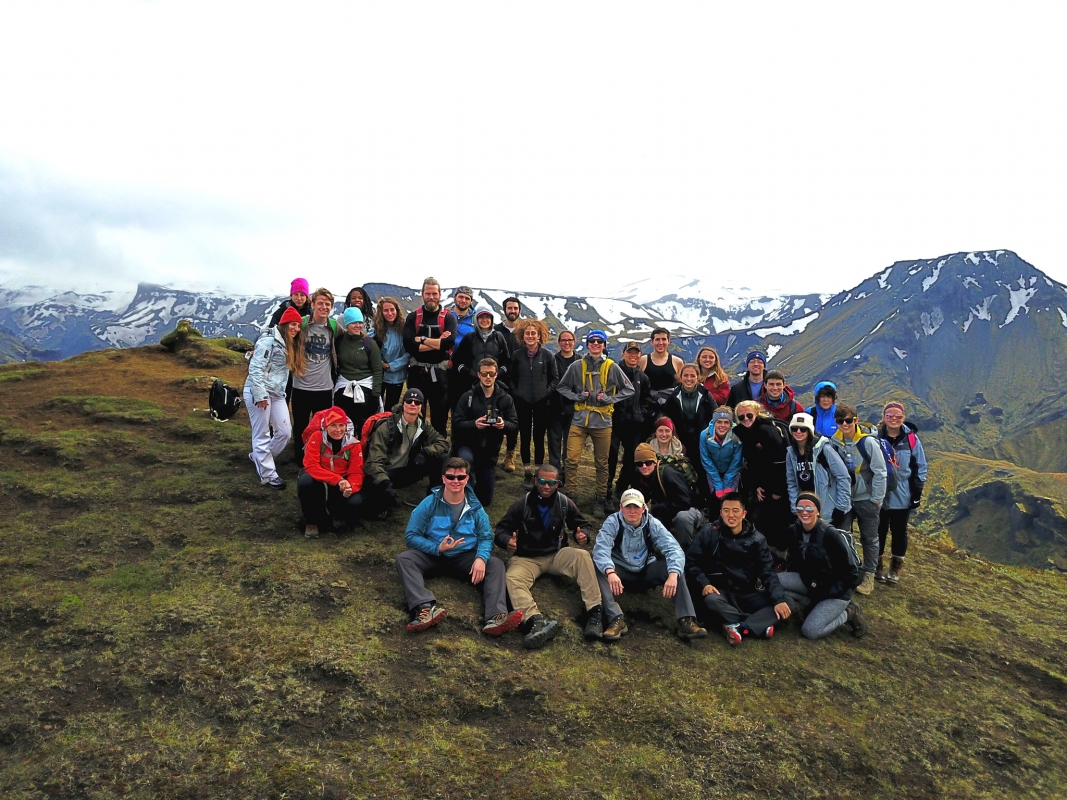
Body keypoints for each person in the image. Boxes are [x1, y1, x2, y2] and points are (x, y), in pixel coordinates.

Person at [395, 457, 524, 636]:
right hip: (434, 555)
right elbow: (411, 536)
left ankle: (496, 617)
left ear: (467, 479)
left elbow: (486, 537)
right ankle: (424, 609)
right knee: (404, 559)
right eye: (451, 477)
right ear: (443, 478)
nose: (455, 481)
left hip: (465, 557)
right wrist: (436, 548)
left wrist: (480, 558)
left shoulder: (476, 508)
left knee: (495, 564)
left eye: (460, 477)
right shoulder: (429, 503)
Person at [495, 464, 603, 648]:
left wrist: (582, 535)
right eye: (543, 481)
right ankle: (535, 621)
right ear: (536, 480)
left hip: (556, 555)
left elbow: (582, 524)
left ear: (558, 484)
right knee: (512, 578)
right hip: (526, 558)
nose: (546, 486)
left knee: (582, 556)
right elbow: (501, 530)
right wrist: (507, 542)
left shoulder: (564, 503)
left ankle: (594, 613)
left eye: (551, 483)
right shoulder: (522, 504)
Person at [592, 489, 707, 642]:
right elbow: (600, 549)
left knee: (675, 566)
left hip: (646, 571)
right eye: (628, 507)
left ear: (644, 508)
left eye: (636, 507)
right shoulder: (612, 522)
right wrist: (610, 572)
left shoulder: (652, 523)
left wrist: (673, 574)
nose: (632, 511)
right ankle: (615, 618)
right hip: (620, 572)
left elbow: (674, 549)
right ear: (621, 507)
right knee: (597, 566)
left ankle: (686, 620)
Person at [685, 492, 792, 644]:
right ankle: (758, 623)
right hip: (720, 592)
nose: (731, 515)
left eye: (735, 510)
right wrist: (704, 583)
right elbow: (691, 562)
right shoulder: (709, 532)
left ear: (744, 513)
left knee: (787, 602)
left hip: (747, 593)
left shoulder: (757, 539)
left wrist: (778, 600)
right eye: (726, 510)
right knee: (710, 602)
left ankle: (741, 627)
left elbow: (767, 572)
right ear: (720, 512)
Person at [556, 330, 635, 517]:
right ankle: (571, 496)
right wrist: (576, 396)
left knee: (602, 463)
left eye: (600, 341)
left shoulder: (611, 366)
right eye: (592, 340)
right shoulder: (577, 366)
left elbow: (629, 389)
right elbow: (562, 386)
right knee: (571, 459)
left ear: (604, 345)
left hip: (602, 421)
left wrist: (609, 399)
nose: (596, 343)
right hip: (580, 419)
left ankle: (600, 499)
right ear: (588, 343)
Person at [778, 492, 868, 640]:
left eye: (809, 508)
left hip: (835, 591)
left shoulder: (831, 535)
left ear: (818, 511)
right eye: (800, 508)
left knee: (810, 631)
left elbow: (852, 573)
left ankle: (849, 612)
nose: (804, 512)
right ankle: (812, 605)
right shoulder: (793, 530)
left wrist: (830, 592)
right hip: (811, 582)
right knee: (774, 582)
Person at [829, 404, 887, 597]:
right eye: (840, 421)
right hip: (844, 498)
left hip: (866, 498)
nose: (844, 424)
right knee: (843, 535)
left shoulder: (868, 443)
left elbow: (880, 471)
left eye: (848, 420)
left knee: (869, 538)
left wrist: (877, 498)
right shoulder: (833, 442)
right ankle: (849, 571)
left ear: (856, 419)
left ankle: (869, 575)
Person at [245, 306, 304, 489]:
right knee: (261, 432)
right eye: (292, 324)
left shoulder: (289, 343)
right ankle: (268, 475)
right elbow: (255, 368)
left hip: (277, 394)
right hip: (258, 392)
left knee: (285, 433)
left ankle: (260, 457)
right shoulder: (268, 341)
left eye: (298, 325)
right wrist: (260, 394)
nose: (295, 328)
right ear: (284, 324)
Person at [363, 388, 450, 510]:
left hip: (407, 469)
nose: (413, 404)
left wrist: (425, 452)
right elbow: (373, 462)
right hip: (386, 471)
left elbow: (443, 443)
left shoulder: (424, 424)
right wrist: (385, 483)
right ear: (403, 403)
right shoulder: (387, 427)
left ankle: (434, 499)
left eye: (417, 402)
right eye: (409, 401)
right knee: (375, 508)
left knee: (442, 457)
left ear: (421, 406)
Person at [451, 357, 517, 507]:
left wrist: (503, 424)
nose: (488, 377)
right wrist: (474, 424)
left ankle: (474, 485)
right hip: (467, 446)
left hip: (489, 453)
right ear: (479, 375)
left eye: (492, 374)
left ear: (496, 375)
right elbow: (456, 423)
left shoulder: (505, 399)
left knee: (485, 500)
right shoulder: (467, 396)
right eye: (485, 373)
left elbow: (514, 425)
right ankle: (463, 487)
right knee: (465, 464)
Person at [732, 400, 793, 561]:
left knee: (778, 520)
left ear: (757, 413)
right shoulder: (748, 432)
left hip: (776, 487)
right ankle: (770, 553)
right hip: (764, 484)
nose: (745, 419)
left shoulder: (767, 431)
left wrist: (777, 490)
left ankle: (781, 556)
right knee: (767, 519)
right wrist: (758, 485)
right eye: (741, 416)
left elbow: (780, 462)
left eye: (749, 415)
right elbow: (755, 463)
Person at [876, 402, 928, 585]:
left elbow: (920, 465)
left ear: (903, 418)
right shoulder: (875, 437)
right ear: (883, 417)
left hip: (903, 494)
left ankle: (895, 569)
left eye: (898, 416)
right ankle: (877, 566)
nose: (894, 419)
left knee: (899, 532)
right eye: (889, 416)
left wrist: (917, 493)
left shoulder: (911, 440)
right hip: (879, 493)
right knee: (878, 530)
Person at [297, 406, 364, 538]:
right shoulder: (316, 437)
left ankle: (337, 515)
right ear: (326, 426)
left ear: (346, 426)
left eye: (341, 425)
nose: (338, 430)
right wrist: (337, 479)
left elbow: (357, 472)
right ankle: (311, 521)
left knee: (356, 501)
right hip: (320, 481)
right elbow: (311, 466)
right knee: (305, 482)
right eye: (333, 425)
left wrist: (351, 487)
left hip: (342, 483)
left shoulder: (354, 444)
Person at [403, 277, 457, 436]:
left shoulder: (448, 317)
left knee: (439, 417)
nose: (431, 297)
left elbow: (449, 344)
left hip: (440, 375)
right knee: (414, 414)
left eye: (434, 293)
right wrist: (438, 342)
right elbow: (409, 345)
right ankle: (413, 449)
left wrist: (422, 340)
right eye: (428, 293)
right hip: (416, 373)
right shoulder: (414, 317)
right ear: (422, 294)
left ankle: (437, 451)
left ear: (440, 294)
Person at [509, 318, 558, 489]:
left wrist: (545, 394)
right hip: (521, 402)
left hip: (541, 403)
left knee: (538, 438)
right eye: (527, 333)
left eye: (533, 333)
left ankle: (538, 472)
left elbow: (554, 379)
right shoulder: (517, 356)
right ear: (523, 336)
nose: (530, 336)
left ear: (539, 336)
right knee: (524, 437)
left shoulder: (548, 356)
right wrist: (516, 394)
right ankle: (527, 473)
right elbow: (511, 379)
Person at [292, 288, 340, 462]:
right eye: (320, 303)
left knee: (322, 427)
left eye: (328, 304)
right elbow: (286, 335)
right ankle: (300, 457)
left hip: (324, 387)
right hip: (300, 386)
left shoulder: (334, 326)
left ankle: (318, 458)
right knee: (301, 426)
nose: (324, 307)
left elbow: (351, 336)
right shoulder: (302, 323)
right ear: (312, 304)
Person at [630, 443, 704, 549]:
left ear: (655, 462)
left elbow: (684, 502)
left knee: (682, 517)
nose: (644, 466)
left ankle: (687, 548)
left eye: (648, 462)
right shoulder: (637, 475)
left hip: (690, 508)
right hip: (667, 508)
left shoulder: (668, 474)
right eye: (639, 464)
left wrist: (653, 508)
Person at [607, 342, 655, 501]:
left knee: (631, 459)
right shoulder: (613, 373)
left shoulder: (643, 377)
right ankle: (606, 488)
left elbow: (648, 400)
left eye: (636, 353)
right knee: (610, 456)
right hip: (614, 423)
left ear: (640, 355)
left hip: (634, 425)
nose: (633, 356)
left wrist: (641, 415)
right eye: (630, 352)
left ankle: (620, 488)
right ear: (623, 354)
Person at [663, 362, 717, 504]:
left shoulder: (705, 394)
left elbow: (715, 416)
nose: (689, 378)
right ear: (680, 377)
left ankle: (706, 501)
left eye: (692, 375)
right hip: (681, 439)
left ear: (698, 377)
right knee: (683, 471)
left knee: (703, 470)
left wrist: (710, 435)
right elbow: (667, 416)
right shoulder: (674, 395)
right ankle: (686, 499)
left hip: (702, 439)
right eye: (685, 375)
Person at [785, 412, 851, 526]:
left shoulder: (825, 449)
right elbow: (792, 482)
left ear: (810, 430)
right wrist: (795, 508)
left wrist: (840, 508)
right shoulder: (791, 453)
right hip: (807, 512)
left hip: (830, 510)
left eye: (803, 429)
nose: (798, 432)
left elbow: (843, 477)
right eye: (795, 428)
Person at [333, 307, 383, 433]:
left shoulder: (369, 343)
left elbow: (377, 370)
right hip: (344, 388)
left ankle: (363, 450)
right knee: (345, 422)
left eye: (360, 322)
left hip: (365, 388)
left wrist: (375, 395)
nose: (358, 326)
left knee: (364, 425)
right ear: (346, 324)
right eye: (354, 322)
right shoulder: (339, 342)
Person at [451, 305, 513, 389]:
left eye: (488, 317)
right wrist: (469, 373)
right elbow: (457, 360)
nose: (484, 320)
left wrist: (497, 373)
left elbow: (506, 361)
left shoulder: (498, 337)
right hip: (471, 385)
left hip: (495, 385)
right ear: (476, 319)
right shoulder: (469, 337)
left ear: (492, 319)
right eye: (481, 317)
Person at [548, 330, 580, 486]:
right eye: (563, 340)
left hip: (574, 409)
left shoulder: (580, 361)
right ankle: (555, 474)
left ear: (574, 341)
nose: (567, 343)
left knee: (570, 444)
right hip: (554, 407)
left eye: (569, 340)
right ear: (559, 342)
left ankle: (567, 474)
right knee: (554, 443)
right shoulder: (553, 359)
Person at [699, 407, 743, 520]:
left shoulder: (737, 434)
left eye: (726, 422)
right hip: (713, 471)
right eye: (719, 422)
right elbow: (706, 459)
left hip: (732, 471)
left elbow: (737, 461)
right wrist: (718, 483)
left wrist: (727, 483)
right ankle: (714, 527)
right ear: (714, 422)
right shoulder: (705, 435)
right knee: (714, 499)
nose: (722, 425)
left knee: (731, 500)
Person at [495, 296, 523, 472]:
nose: (512, 311)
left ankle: (510, 455)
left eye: (515, 308)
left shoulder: (524, 331)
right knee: (496, 416)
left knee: (514, 420)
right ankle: (493, 452)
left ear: (519, 310)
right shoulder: (496, 330)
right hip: (498, 381)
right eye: (509, 308)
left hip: (519, 383)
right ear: (504, 310)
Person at [446, 286, 477, 425]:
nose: (463, 300)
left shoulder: (475, 321)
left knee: (460, 409)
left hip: (463, 371)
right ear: (455, 298)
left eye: (467, 298)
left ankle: (457, 442)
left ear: (471, 301)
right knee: (441, 407)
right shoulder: (445, 316)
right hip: (444, 367)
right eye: (461, 297)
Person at [373, 296, 409, 411]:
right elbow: (370, 350)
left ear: (397, 310)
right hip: (379, 376)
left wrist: (392, 365)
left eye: (392, 310)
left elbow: (409, 352)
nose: (390, 313)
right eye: (386, 310)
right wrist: (381, 364)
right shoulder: (376, 330)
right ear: (381, 312)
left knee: (391, 408)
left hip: (397, 376)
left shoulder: (405, 329)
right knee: (376, 407)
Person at [639, 328, 683, 408]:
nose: (661, 343)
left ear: (668, 341)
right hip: (647, 406)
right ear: (652, 342)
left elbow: (681, 388)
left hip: (670, 406)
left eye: (664, 339)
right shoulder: (642, 360)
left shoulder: (677, 362)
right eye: (657, 339)